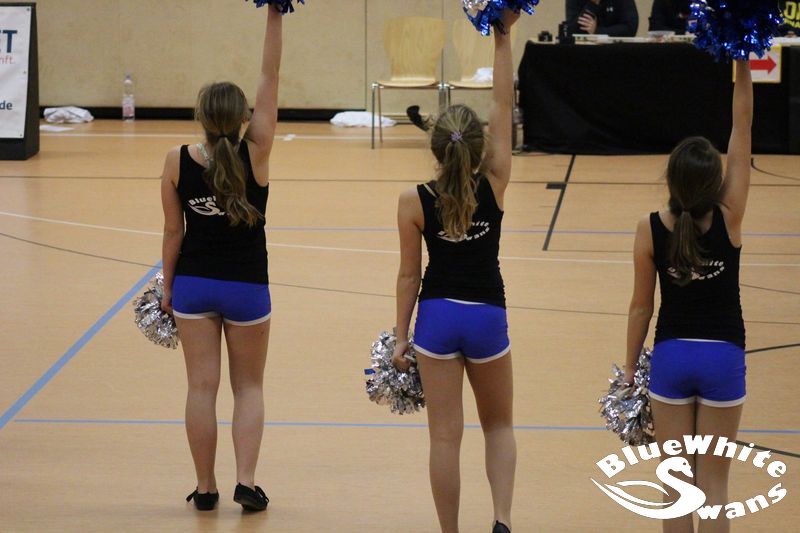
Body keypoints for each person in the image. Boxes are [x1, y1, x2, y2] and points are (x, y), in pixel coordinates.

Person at [392, 9, 518, 533]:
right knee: (499, 426)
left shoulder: (413, 200)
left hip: (437, 319)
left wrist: (401, 336)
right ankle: (502, 520)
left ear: (435, 147)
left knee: (444, 436)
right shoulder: (496, 181)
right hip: (487, 315)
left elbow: (409, 276)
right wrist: (502, 34)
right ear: (480, 146)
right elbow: (503, 104)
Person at [160, 4, 283, 512]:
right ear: (243, 118)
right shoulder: (257, 151)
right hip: (247, 287)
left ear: (201, 118)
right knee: (248, 386)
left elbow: (173, 231)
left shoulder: (177, 160)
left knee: (200, 388)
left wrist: (168, 289)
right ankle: (246, 482)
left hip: (193, 285)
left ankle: (206, 486)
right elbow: (270, 77)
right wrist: (276, 13)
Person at [625, 61, 752, 532]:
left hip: (672, 360)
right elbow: (742, 128)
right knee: (714, 486)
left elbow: (641, 306)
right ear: (714, 183)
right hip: (723, 359)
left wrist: (629, 368)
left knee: (675, 486)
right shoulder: (729, 217)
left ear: (671, 181)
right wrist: (742, 61)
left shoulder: (649, 228)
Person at [565, 0, 639, 37]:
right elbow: (571, 30)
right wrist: (592, 3)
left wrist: (597, 31)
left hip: (616, 50)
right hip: (583, 52)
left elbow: (630, 28)